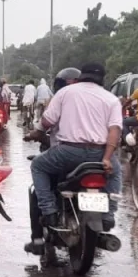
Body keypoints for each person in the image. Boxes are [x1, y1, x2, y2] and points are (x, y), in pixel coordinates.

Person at [23, 63, 122, 254]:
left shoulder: (65, 93)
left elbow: (47, 121)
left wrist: (37, 132)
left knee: (38, 166)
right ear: (103, 79)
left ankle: (49, 212)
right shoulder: (111, 99)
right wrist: (107, 158)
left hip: (68, 152)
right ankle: (108, 214)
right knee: (116, 172)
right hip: (99, 154)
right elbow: (115, 131)